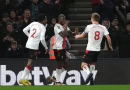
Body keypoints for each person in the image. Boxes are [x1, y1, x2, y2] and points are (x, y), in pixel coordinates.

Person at [75, 13, 113, 84]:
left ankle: (89, 74)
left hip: (90, 49)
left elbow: (82, 36)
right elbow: (108, 37)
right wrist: (110, 46)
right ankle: (91, 81)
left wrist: (77, 36)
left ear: (92, 19)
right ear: (98, 19)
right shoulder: (103, 27)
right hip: (97, 50)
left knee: (83, 65)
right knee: (92, 63)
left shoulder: (89, 26)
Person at [19, 14, 48, 86]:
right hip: (33, 46)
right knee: (29, 62)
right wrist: (46, 47)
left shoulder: (33, 23)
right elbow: (42, 39)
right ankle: (22, 79)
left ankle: (25, 79)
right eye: (46, 19)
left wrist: (30, 37)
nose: (46, 20)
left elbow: (24, 30)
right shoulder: (43, 27)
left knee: (30, 63)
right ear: (43, 20)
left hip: (28, 44)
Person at [47, 14, 69, 85]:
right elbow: (63, 35)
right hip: (58, 48)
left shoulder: (63, 26)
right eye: (63, 19)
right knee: (60, 63)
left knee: (66, 63)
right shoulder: (57, 26)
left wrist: (75, 32)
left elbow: (69, 33)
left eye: (64, 19)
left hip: (62, 48)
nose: (64, 20)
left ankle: (54, 77)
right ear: (59, 19)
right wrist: (66, 26)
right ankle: (57, 81)